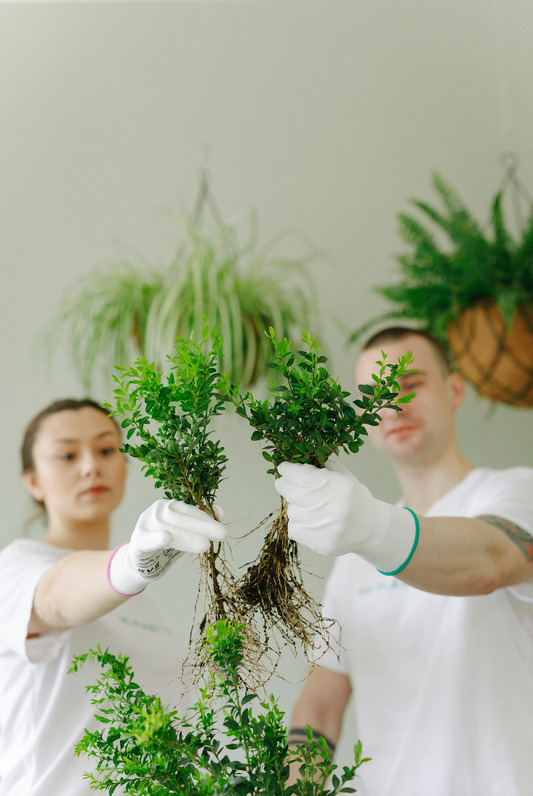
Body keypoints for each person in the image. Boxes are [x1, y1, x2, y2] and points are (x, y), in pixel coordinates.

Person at [277, 328, 533, 796]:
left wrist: (373, 527)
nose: (393, 404)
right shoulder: (354, 563)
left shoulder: (516, 491)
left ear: (455, 389)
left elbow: (489, 560)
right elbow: (319, 706)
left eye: (411, 383)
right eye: (375, 393)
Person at [0, 398, 227, 796]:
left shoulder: (139, 604)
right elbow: (54, 597)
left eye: (107, 450)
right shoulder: (17, 566)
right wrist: (127, 566)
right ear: (33, 480)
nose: (90, 466)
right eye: (66, 455)